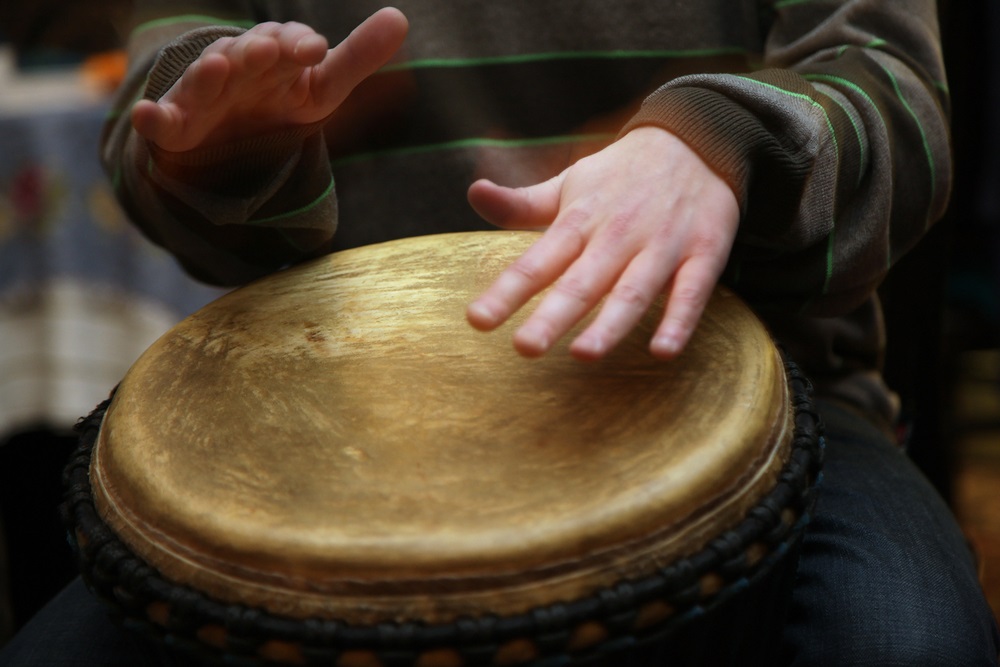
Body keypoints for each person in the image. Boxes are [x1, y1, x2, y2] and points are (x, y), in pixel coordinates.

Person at [2, 1, 998, 665]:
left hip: (774, 396)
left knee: (907, 641)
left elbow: (895, 91)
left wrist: (715, 145)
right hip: (328, 435)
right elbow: (159, 109)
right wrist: (225, 150)